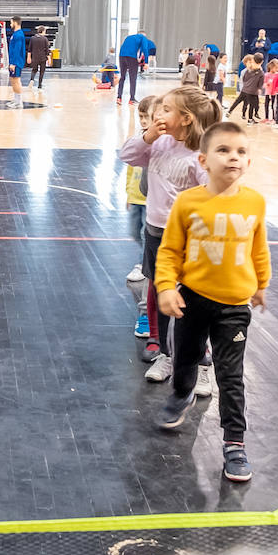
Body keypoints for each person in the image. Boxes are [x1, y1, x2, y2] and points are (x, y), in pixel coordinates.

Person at [153, 120, 270, 482]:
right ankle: (182, 393)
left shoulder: (254, 203)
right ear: (203, 160)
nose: (233, 157)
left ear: (248, 161)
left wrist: (261, 284)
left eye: (240, 152)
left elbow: (259, 247)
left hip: (234, 307)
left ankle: (234, 442)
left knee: (230, 376)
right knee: (184, 357)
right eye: (223, 150)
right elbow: (170, 251)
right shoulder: (189, 203)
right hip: (192, 299)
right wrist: (166, 287)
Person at [118, 86, 217, 395]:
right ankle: (165, 354)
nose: (157, 115)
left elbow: (213, 196)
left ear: (185, 119)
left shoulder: (198, 156)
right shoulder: (157, 142)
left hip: (188, 239)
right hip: (156, 233)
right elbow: (127, 155)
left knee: (194, 302)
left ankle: (200, 362)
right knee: (162, 296)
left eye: (165, 110)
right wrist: (147, 136)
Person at [124, 94, 159, 340]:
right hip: (144, 202)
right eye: (143, 117)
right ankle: (146, 315)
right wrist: (129, 192)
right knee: (139, 238)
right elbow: (128, 157)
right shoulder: (143, 142)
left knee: (158, 269)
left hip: (164, 215)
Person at [116, 30, 153, 105]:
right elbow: (145, 49)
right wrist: (146, 62)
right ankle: (132, 99)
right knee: (133, 78)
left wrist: (138, 58)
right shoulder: (143, 37)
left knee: (122, 77)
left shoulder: (129, 37)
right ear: (143, 35)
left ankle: (119, 98)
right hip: (131, 57)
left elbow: (128, 47)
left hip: (121, 56)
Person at [234, 54, 264, 125]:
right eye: (249, 62)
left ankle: (252, 116)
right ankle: (244, 114)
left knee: (253, 105)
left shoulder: (256, 70)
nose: (251, 63)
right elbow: (242, 80)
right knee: (246, 104)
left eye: (252, 62)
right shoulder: (244, 71)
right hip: (246, 90)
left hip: (252, 91)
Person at [7, 16, 27, 109]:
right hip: (13, 61)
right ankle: (16, 100)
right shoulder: (15, 34)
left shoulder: (19, 34)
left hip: (17, 62)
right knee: (13, 80)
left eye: (11, 23)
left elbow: (17, 50)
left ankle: (19, 102)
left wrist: (14, 63)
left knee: (16, 80)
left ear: (15, 22)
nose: (10, 24)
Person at [27, 25, 51, 93]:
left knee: (34, 70)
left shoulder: (33, 38)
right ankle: (39, 85)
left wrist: (28, 57)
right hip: (43, 58)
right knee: (42, 72)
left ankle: (32, 79)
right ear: (43, 31)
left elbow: (29, 49)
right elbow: (47, 50)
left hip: (35, 57)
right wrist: (49, 59)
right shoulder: (45, 39)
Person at [262, 58, 278, 124]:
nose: (276, 69)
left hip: (274, 93)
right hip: (268, 93)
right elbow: (263, 84)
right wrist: (267, 84)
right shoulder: (266, 75)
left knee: (274, 106)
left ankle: (274, 118)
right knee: (266, 105)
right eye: (275, 67)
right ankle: (266, 117)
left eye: (277, 68)